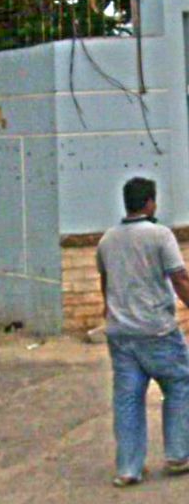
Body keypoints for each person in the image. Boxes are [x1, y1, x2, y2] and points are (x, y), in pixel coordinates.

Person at [97, 176, 189, 487]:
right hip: (157, 331)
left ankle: (128, 468)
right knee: (179, 385)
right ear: (149, 203)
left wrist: (111, 314)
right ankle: (178, 454)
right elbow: (179, 279)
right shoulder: (160, 235)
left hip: (121, 333)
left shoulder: (107, 240)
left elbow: (106, 285)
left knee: (127, 399)